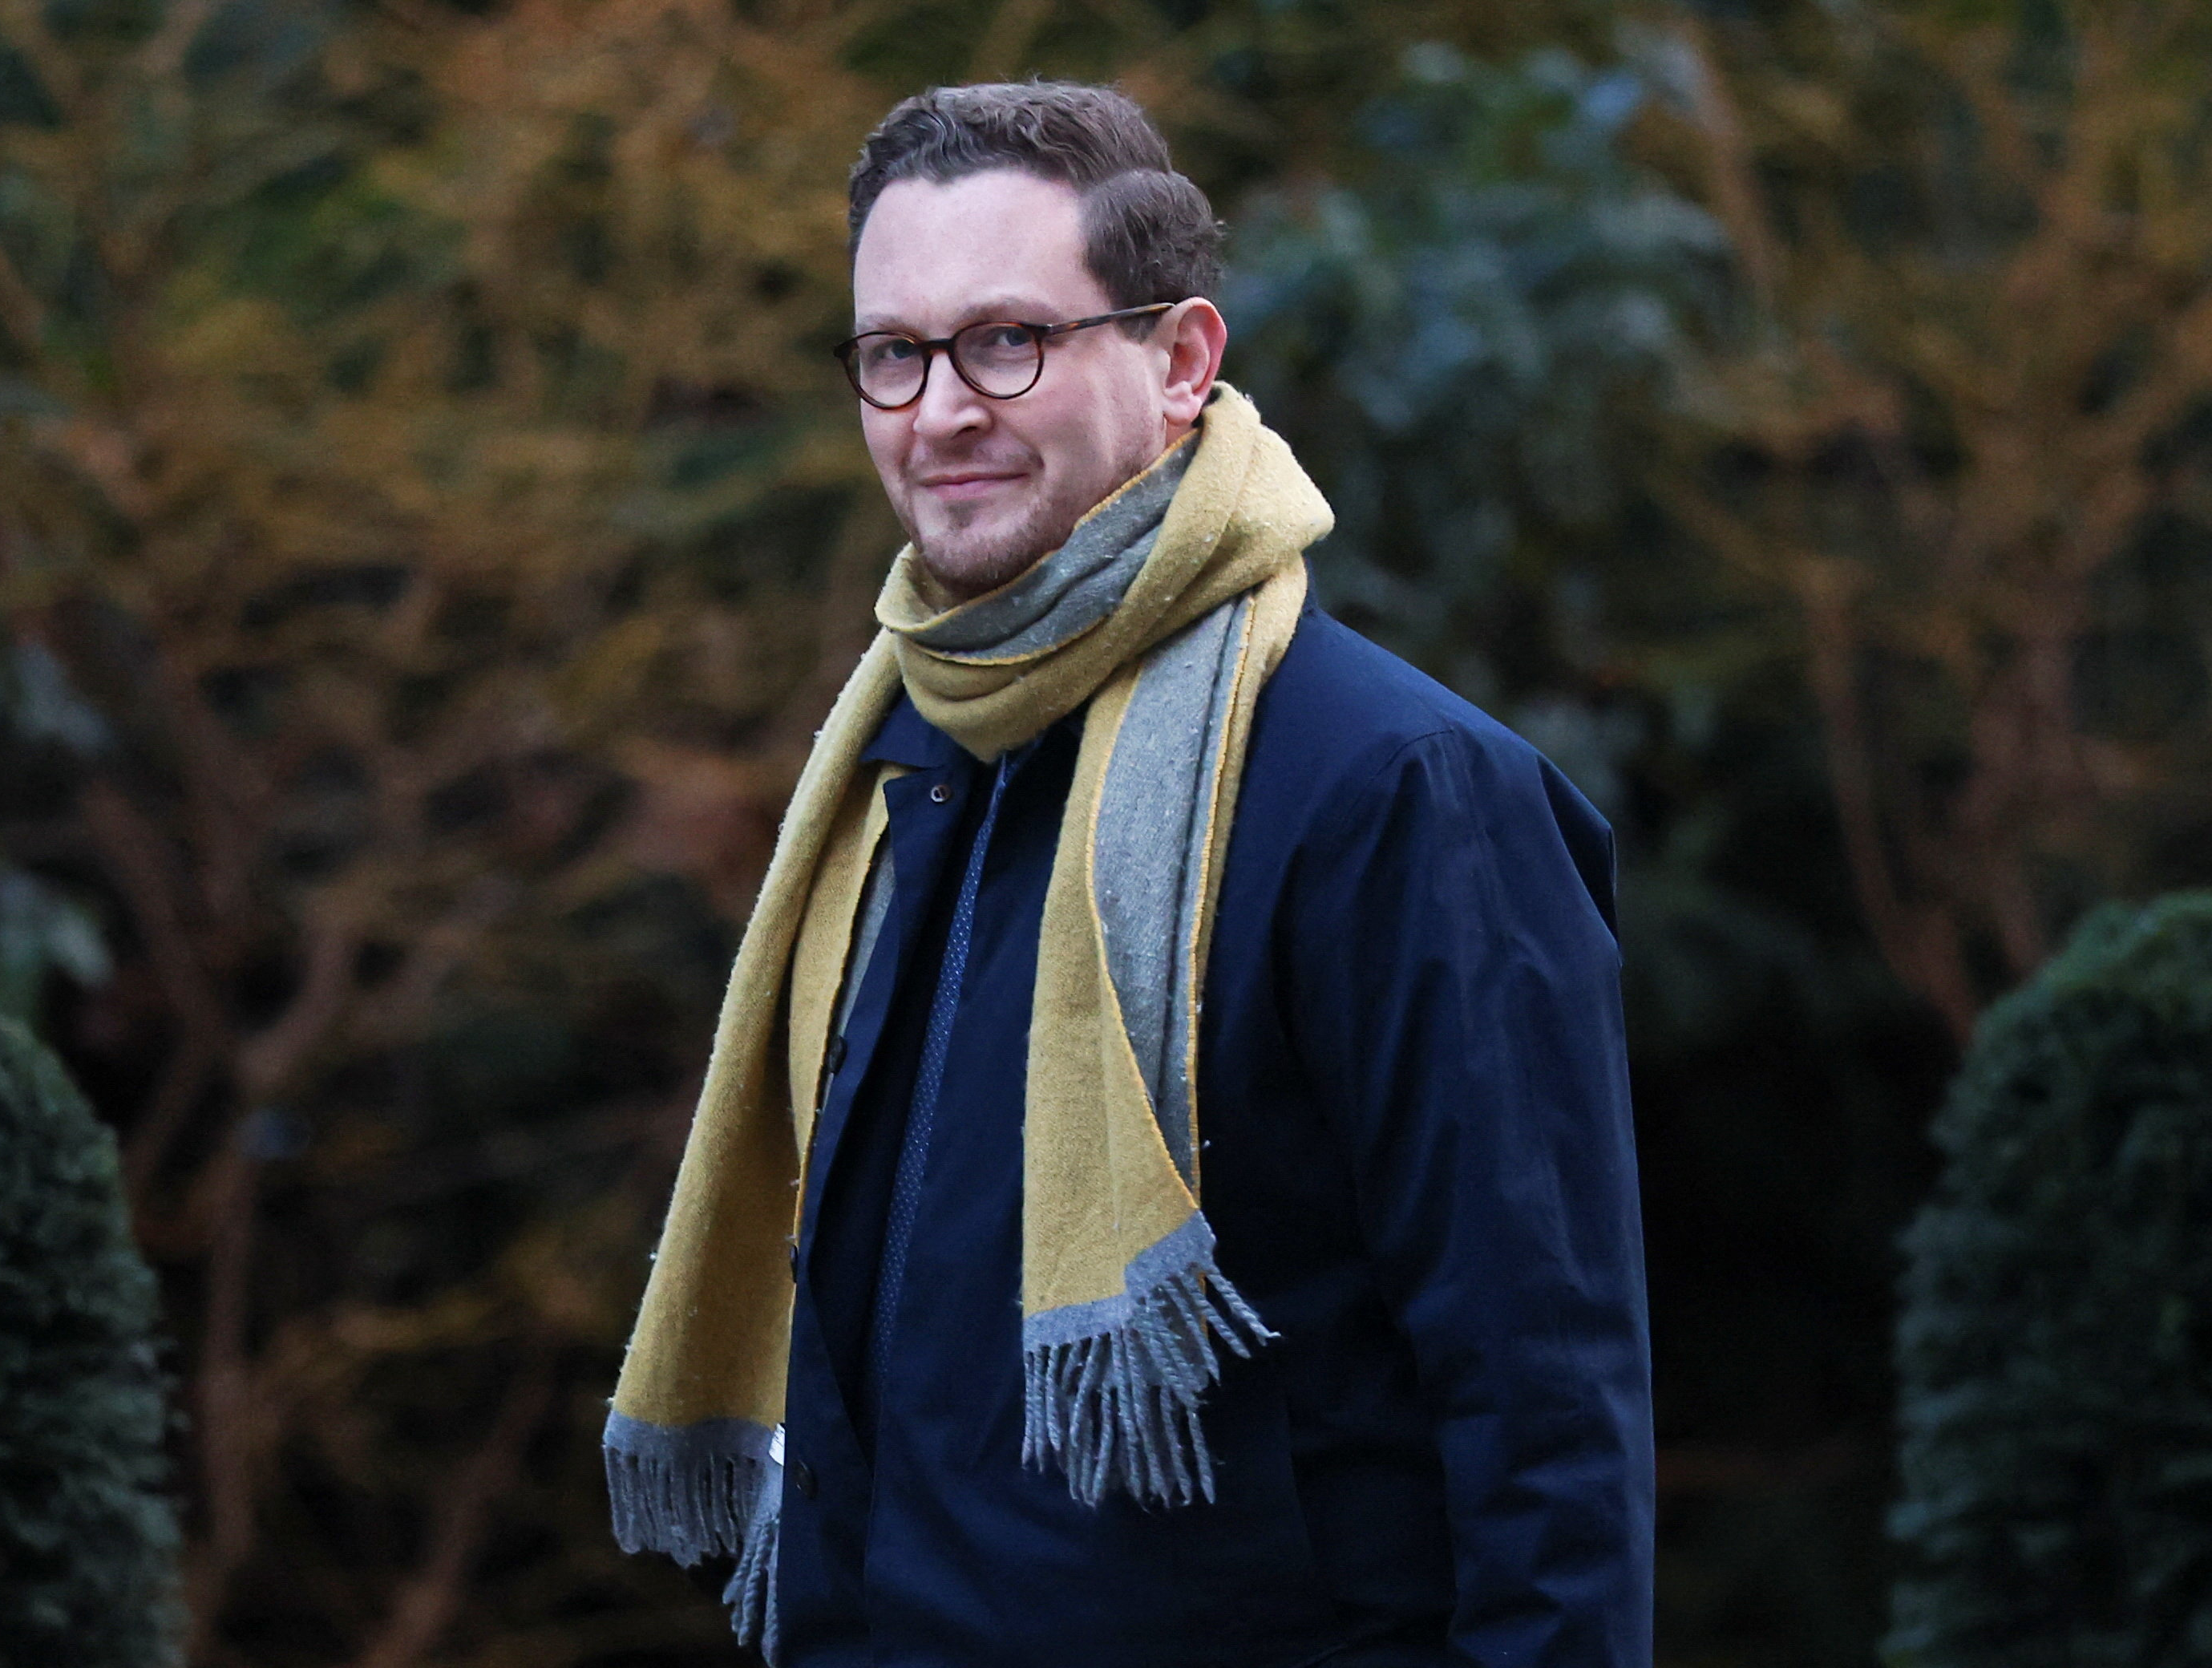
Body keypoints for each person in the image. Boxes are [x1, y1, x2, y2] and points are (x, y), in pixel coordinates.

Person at [604, 81, 1652, 1667]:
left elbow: (1547, 1420)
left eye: (1006, 340)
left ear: (1179, 360)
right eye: (894, 353)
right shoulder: (900, 772)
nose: (939, 411)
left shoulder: (1401, 791)